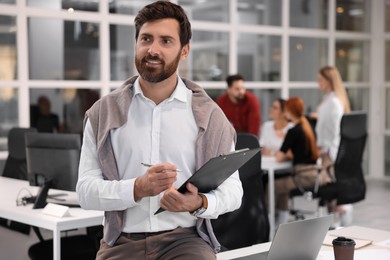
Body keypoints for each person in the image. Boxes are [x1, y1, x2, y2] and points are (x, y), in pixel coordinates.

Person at [76, 1, 243, 259]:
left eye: (166, 41)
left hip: (185, 240)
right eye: (146, 39)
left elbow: (234, 192)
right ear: (136, 43)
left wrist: (200, 203)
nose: (152, 49)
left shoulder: (210, 116)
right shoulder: (103, 113)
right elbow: (85, 191)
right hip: (122, 242)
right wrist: (137, 188)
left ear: (184, 50)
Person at [272, 97, 332, 225]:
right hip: (315, 174)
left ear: (288, 111)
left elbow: (279, 157)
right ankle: (281, 221)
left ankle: (271, 221)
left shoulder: (293, 131)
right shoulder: (308, 126)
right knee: (283, 187)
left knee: (272, 186)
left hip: (303, 177)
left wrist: (281, 152)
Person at [314, 66, 352, 226]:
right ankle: (337, 223)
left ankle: (339, 223)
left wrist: (322, 148)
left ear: (330, 81)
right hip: (330, 152)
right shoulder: (332, 100)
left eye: (320, 80)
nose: (318, 83)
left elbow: (335, 130)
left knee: (331, 192)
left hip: (330, 153)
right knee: (332, 193)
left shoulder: (333, 102)